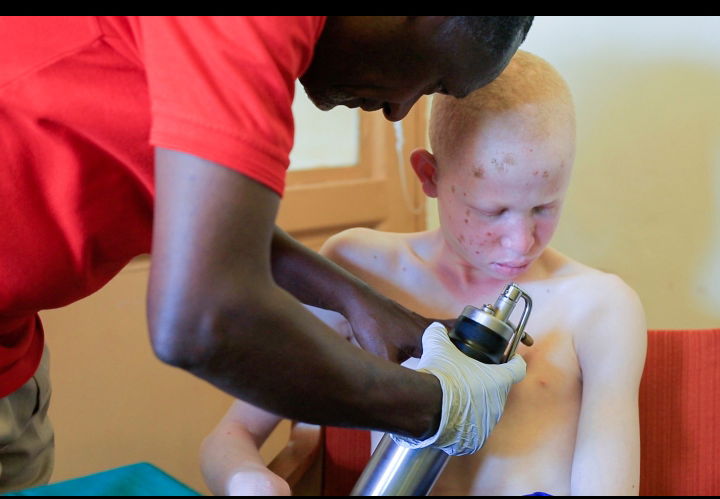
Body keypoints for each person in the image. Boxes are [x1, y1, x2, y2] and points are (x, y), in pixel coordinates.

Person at [0, 16, 535, 492]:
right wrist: (438, 408)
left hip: (13, 357)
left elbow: (205, 219)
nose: (398, 111)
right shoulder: (248, 26)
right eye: (435, 81)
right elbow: (204, 322)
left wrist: (361, 304)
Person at [200, 50, 647, 496]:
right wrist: (250, 481)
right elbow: (229, 438)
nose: (521, 242)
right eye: (491, 211)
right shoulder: (360, 272)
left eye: (544, 207)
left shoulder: (600, 306)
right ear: (429, 175)